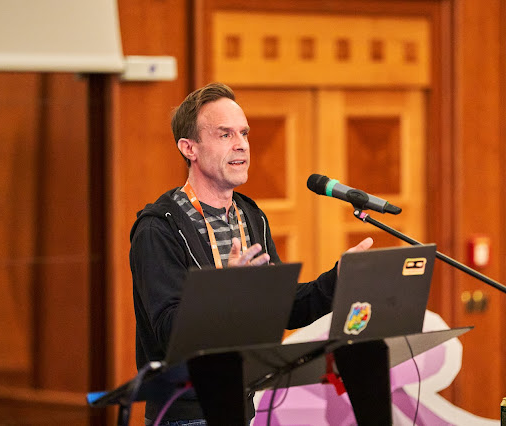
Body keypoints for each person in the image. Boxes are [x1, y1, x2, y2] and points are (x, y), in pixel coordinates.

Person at [130, 82, 373, 425]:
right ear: (189, 148)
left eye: (244, 133)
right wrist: (226, 289)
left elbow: (282, 308)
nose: (241, 144)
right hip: (186, 415)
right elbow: (168, 331)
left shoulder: (251, 216)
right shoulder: (158, 229)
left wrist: (340, 279)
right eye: (224, 134)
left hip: (243, 406)